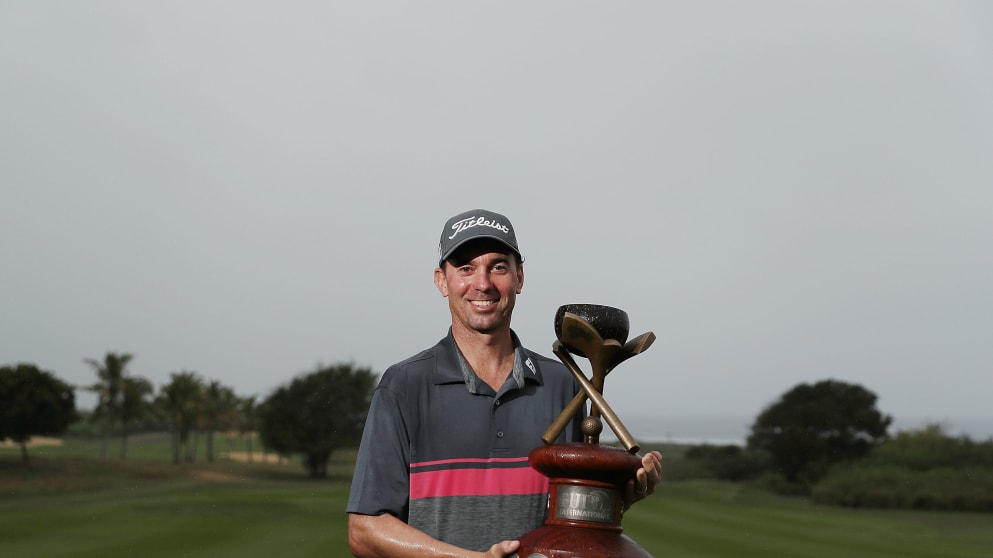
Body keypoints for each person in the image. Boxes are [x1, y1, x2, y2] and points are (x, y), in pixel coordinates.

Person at [347, 209, 662, 557]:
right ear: (442, 280)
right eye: (465, 268)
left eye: (498, 267)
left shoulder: (564, 385)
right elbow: (365, 530)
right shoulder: (404, 386)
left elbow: (572, 521)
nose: (482, 283)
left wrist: (619, 499)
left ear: (519, 278)